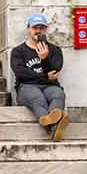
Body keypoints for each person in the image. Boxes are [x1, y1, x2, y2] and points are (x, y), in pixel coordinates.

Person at [9, 13, 67, 142]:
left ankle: (52, 124)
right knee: (37, 97)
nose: (38, 30)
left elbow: (55, 70)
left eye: (42, 27)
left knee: (58, 94)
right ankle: (57, 123)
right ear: (29, 29)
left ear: (46, 30)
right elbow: (20, 73)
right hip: (26, 87)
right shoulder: (18, 51)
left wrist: (44, 58)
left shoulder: (55, 50)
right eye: (35, 27)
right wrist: (45, 76)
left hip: (50, 86)